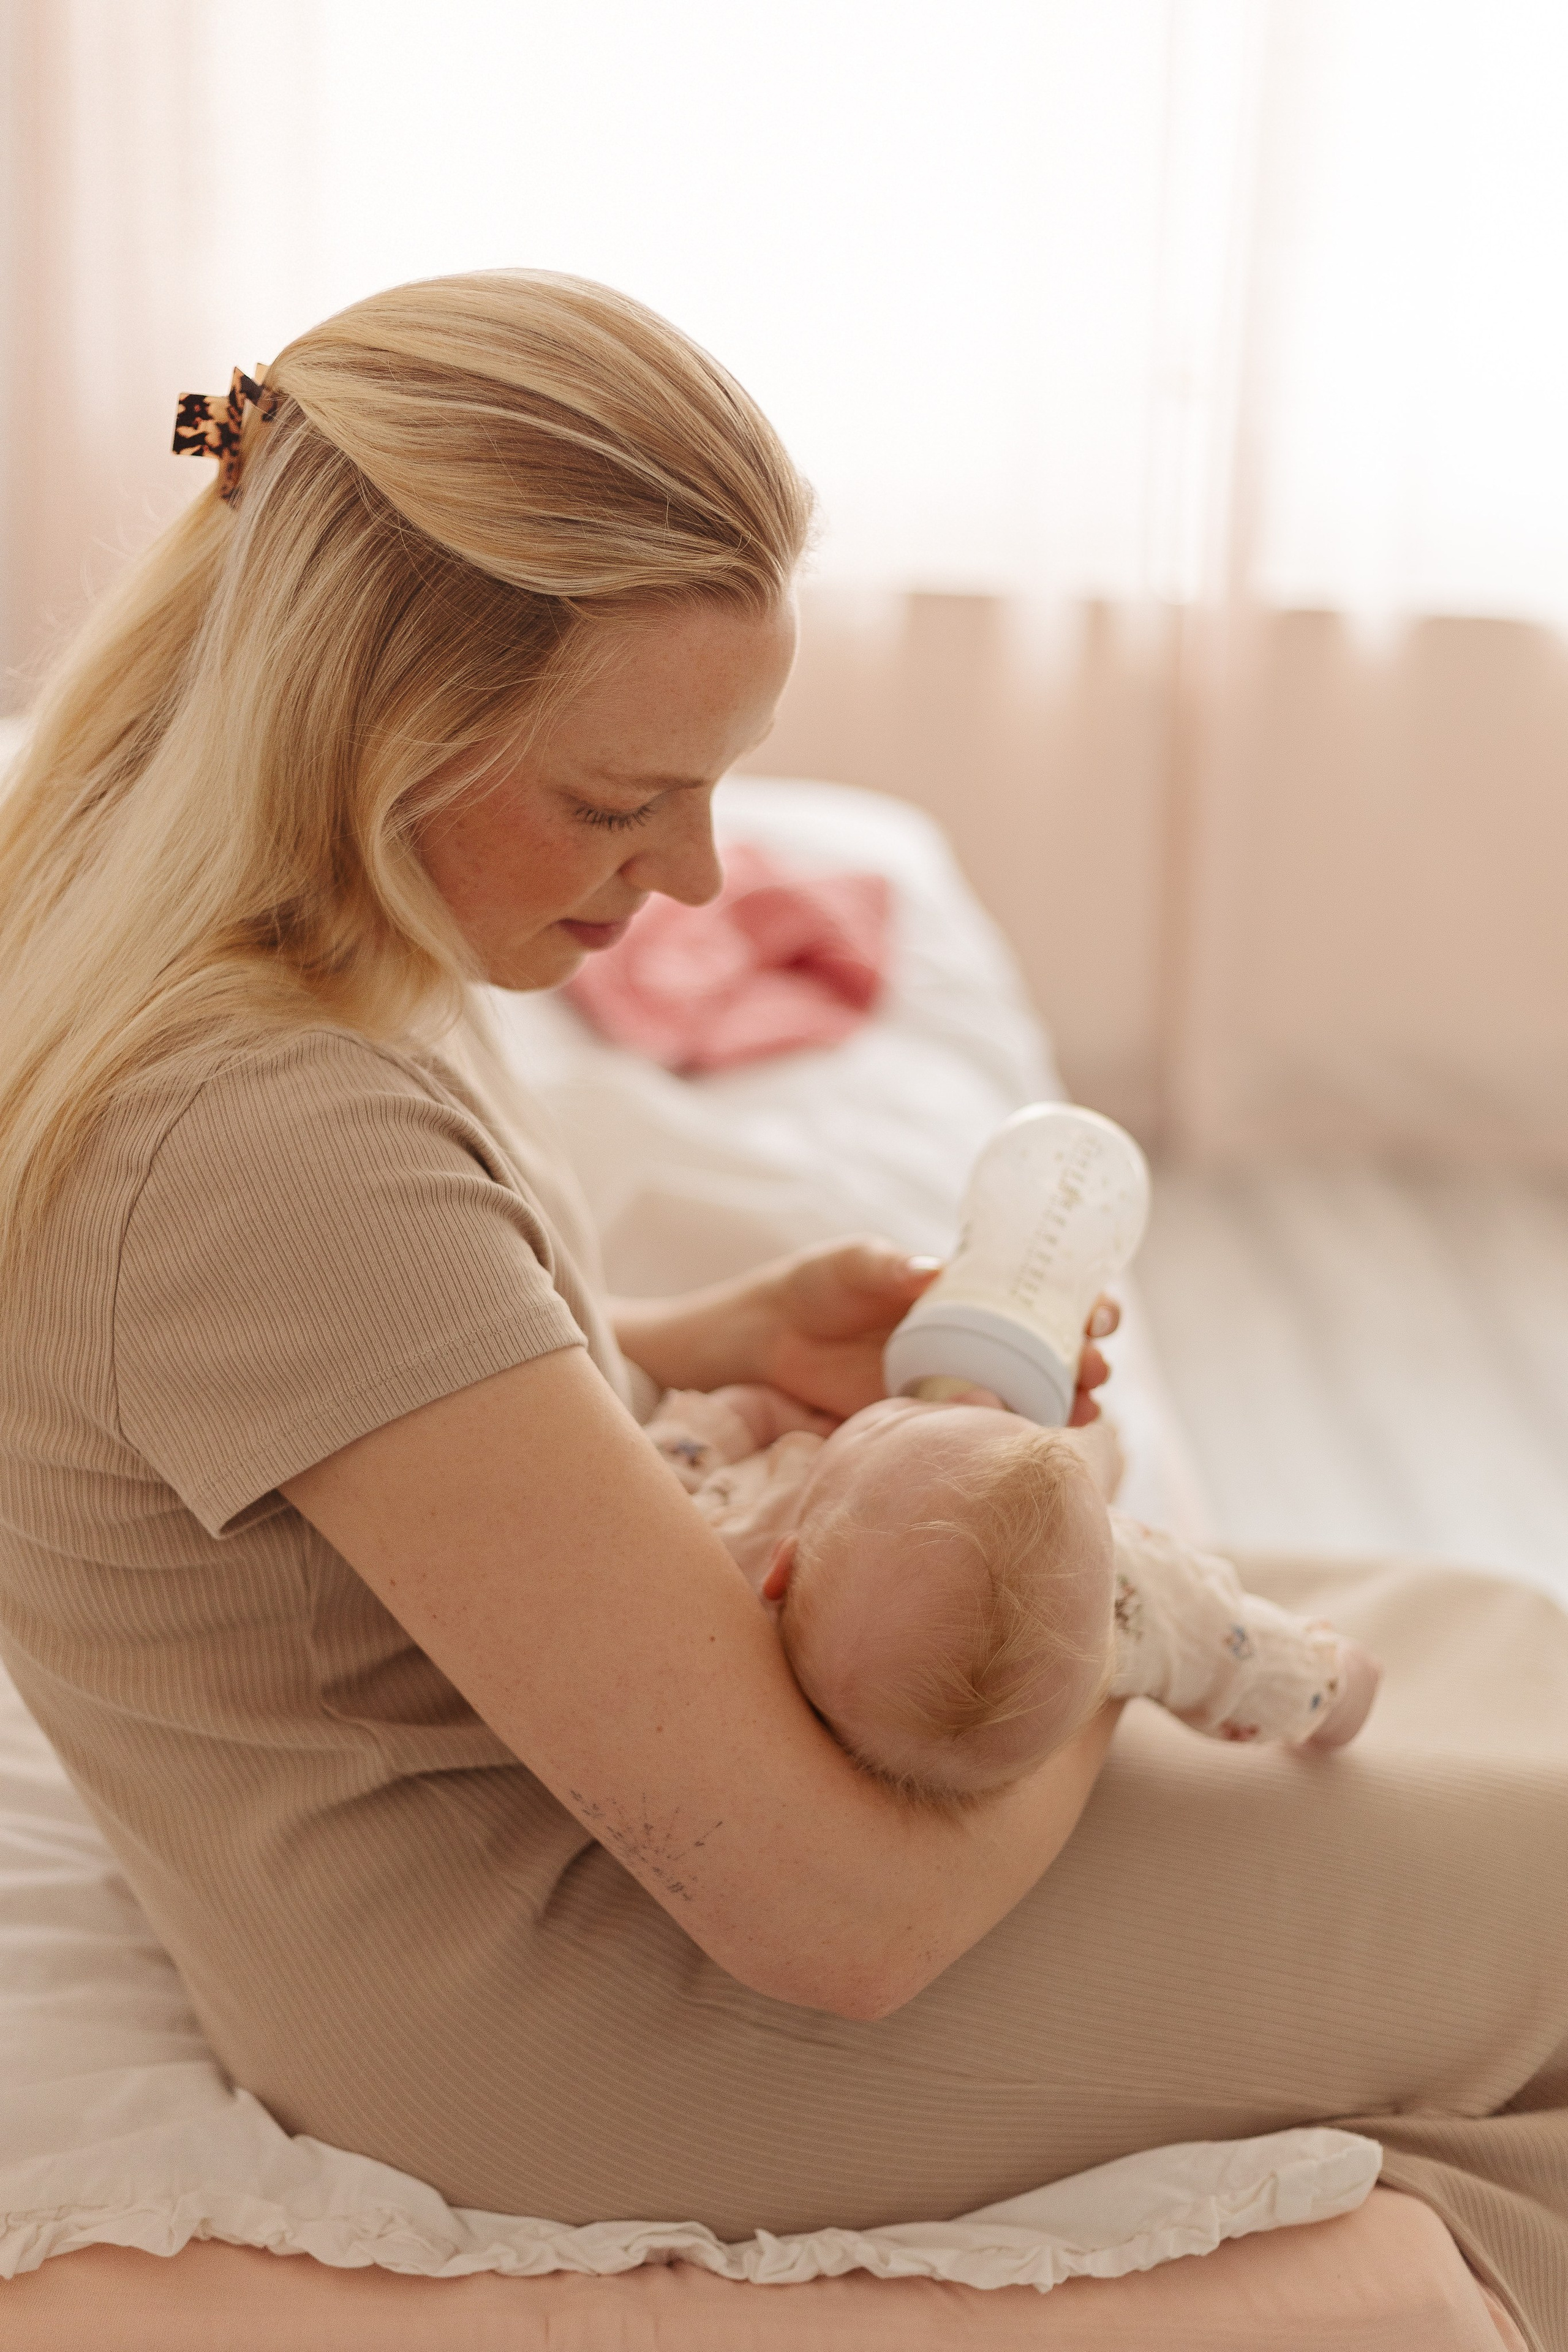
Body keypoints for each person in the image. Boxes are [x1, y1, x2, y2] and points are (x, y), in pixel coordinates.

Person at [0, 273, 1564, 2341]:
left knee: (1502, 1656)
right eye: (620, 803)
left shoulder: (182, 917)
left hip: (511, 1853)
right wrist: (1070, 1589)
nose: (703, 881)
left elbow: (246, 1407)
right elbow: (840, 1922)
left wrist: (677, 1339)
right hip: (575, 2004)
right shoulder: (268, 1138)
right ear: (361, 718)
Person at [647, 1384, 1381, 1799]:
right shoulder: (1135, 1594)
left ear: (783, 1569)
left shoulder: (725, 1551)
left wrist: (738, 1417)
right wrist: (1334, 1682)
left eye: (893, 1424)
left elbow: (668, 1466)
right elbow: (1249, 1656)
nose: (892, 1407)